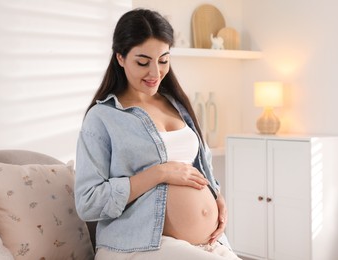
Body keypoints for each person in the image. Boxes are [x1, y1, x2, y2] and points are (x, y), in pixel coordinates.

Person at [74, 8, 240, 260]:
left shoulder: (178, 106)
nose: (155, 73)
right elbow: (88, 202)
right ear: (120, 57)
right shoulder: (103, 118)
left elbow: (201, 169)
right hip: (138, 245)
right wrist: (159, 173)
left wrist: (217, 197)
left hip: (204, 244)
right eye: (143, 62)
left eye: (163, 60)